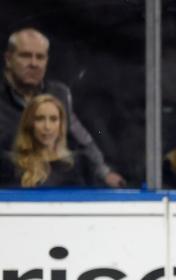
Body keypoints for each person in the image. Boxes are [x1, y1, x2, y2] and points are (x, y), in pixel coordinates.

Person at [0, 28, 123, 187]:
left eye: (40, 57)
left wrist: (104, 172)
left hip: (53, 184)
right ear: (8, 59)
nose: (34, 64)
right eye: (25, 56)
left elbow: (83, 140)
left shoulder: (59, 94)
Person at [0, 93, 85, 188]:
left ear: (61, 124)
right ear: (29, 124)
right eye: (39, 119)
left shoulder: (79, 164)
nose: (47, 127)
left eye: (53, 119)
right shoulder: (9, 165)